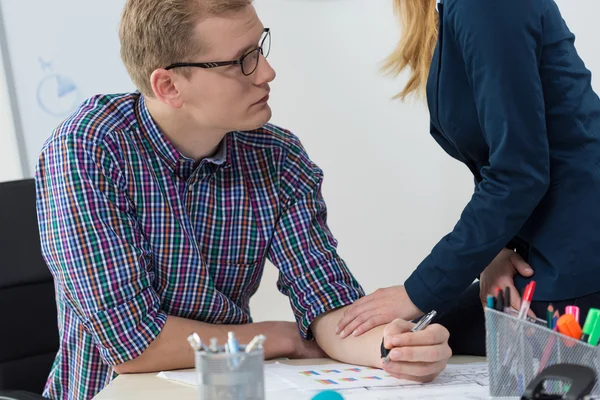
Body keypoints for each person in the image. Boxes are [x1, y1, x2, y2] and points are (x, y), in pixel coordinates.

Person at [35, 1, 451, 398]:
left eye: (260, 48)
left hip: (228, 387)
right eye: (241, 60)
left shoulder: (276, 157)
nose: (267, 72)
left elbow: (328, 303)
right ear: (169, 86)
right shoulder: (87, 151)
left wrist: (396, 348)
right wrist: (282, 335)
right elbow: (134, 344)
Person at [338, 0, 600, 355]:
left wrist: (418, 290)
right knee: (407, 341)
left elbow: (519, 173)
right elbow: (508, 158)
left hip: (576, 264)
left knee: (411, 342)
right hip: (542, 252)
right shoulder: (456, 10)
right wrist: (495, 251)